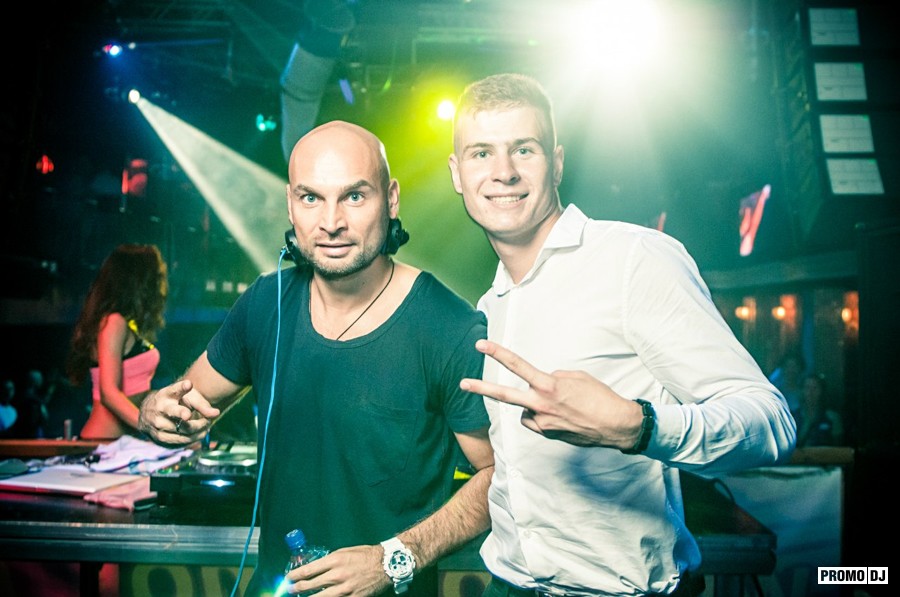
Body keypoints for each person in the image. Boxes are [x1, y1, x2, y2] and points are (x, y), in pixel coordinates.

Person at [448, 73, 797, 596]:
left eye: (524, 149)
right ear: (457, 174)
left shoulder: (633, 259)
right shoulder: (491, 305)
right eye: (481, 153)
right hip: (510, 585)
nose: (503, 172)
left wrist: (639, 426)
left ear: (557, 163)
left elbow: (771, 423)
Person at [137, 120, 493, 597]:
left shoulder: (448, 326)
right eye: (311, 198)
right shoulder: (265, 304)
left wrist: (394, 558)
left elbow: (501, 477)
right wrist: (153, 410)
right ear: (291, 204)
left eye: (354, 196)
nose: (331, 222)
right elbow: (182, 405)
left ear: (391, 199)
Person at [65, 243, 168, 440]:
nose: (159, 284)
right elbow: (109, 393)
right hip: (105, 442)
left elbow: (134, 388)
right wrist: (154, 429)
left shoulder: (124, 322)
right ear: (138, 280)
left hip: (121, 442)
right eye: (154, 277)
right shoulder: (113, 322)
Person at [796, 373, 844, 447]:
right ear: (802, 390)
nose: (811, 392)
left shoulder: (832, 417)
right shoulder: (793, 417)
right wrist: (806, 424)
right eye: (807, 387)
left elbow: (838, 445)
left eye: (815, 388)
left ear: (821, 391)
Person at [768, 349, 806, 419]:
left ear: (800, 369)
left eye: (794, 367)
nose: (791, 370)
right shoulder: (774, 390)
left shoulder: (804, 392)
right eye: (788, 366)